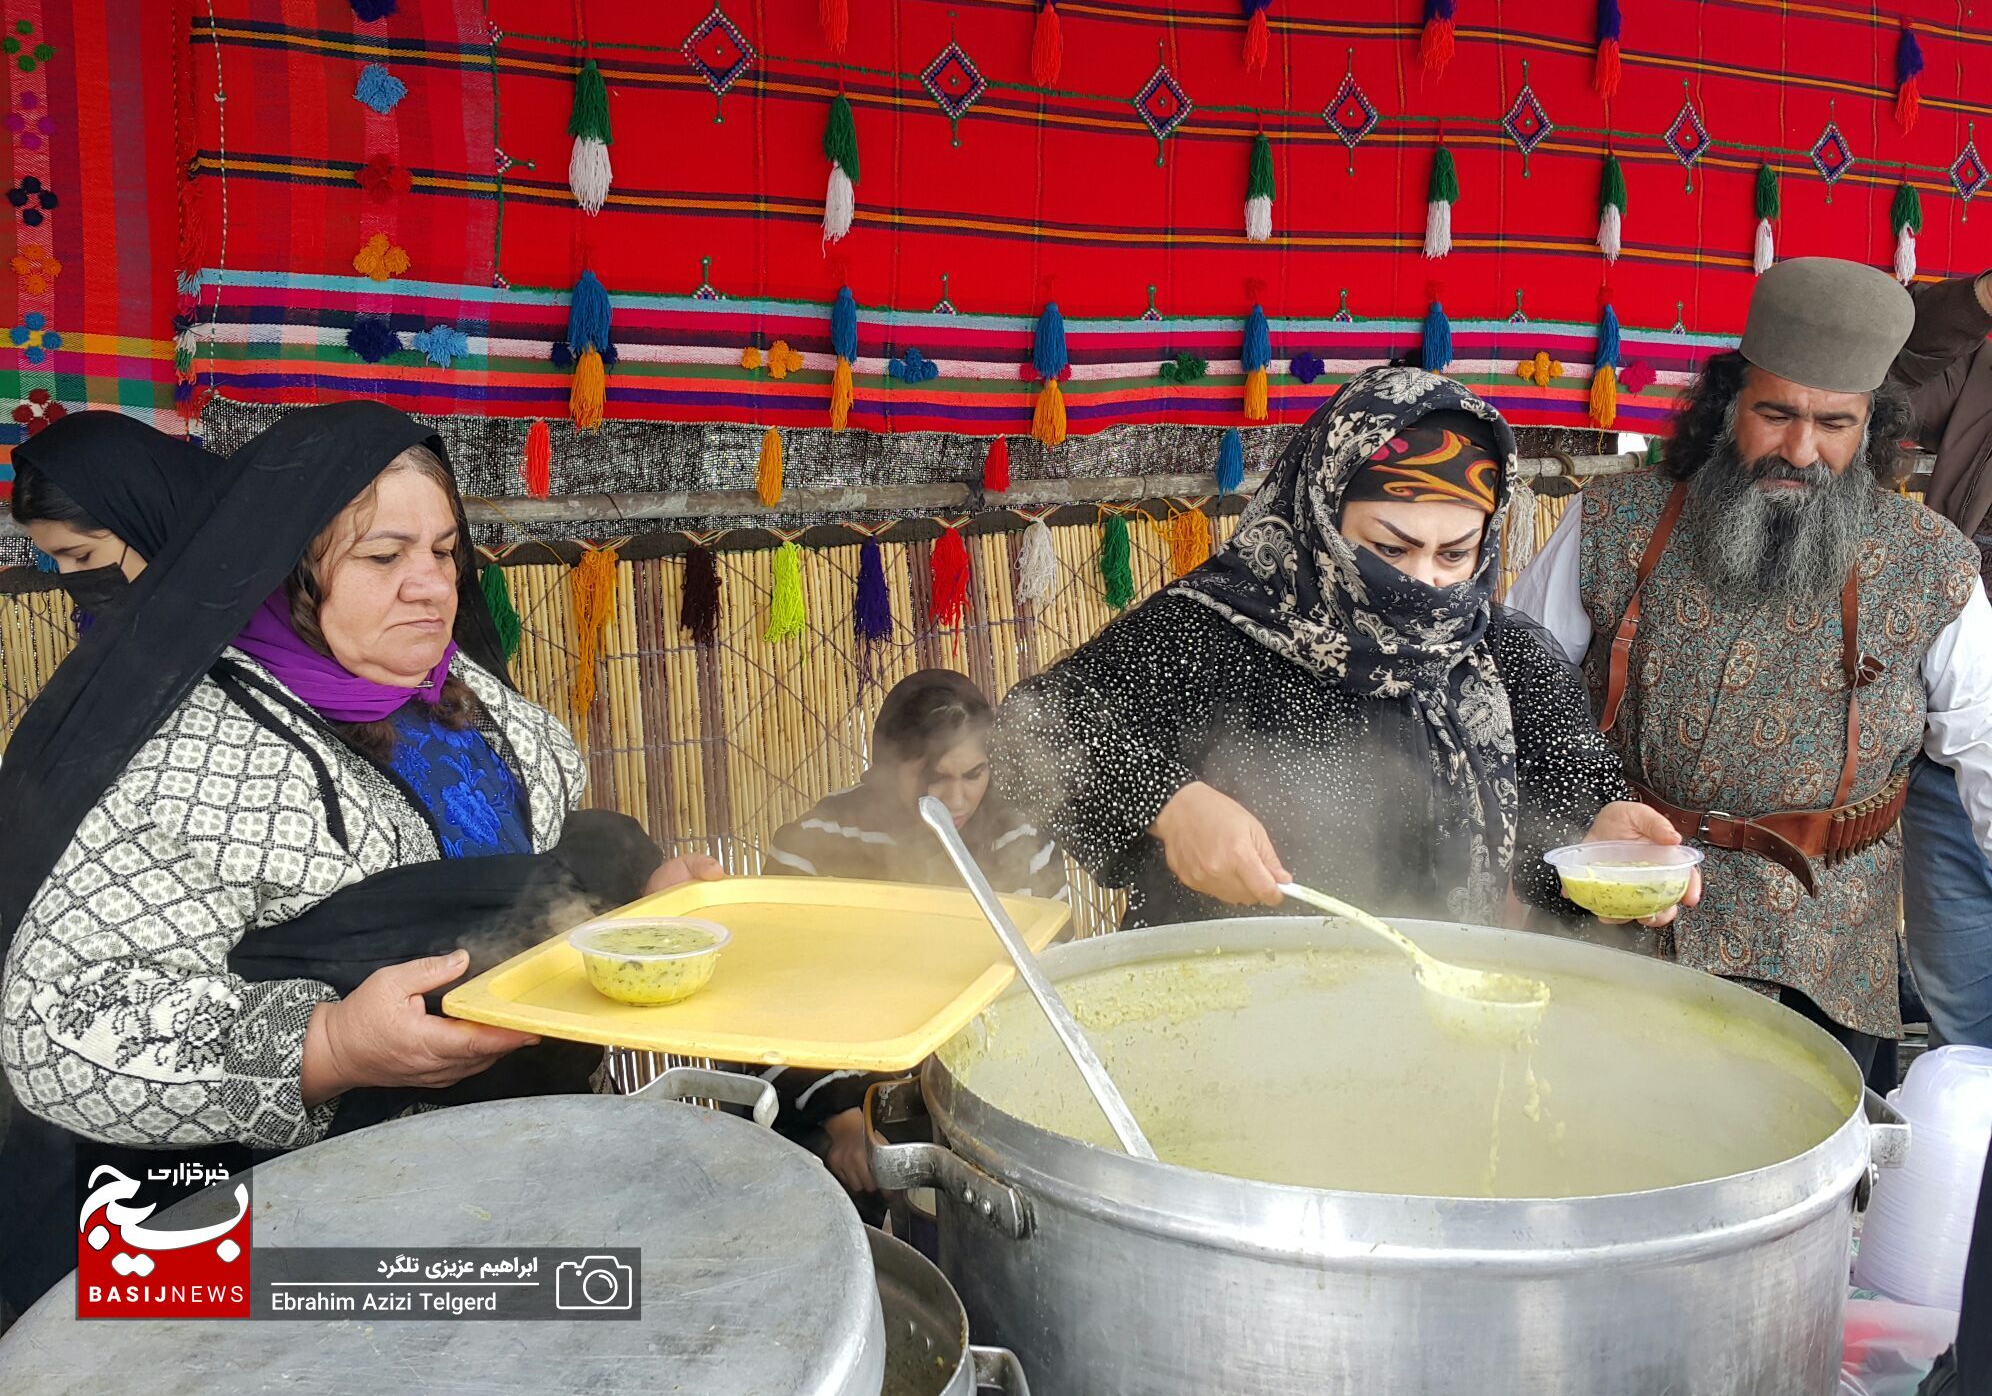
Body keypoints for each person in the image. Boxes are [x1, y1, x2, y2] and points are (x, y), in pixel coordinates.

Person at [0, 401, 710, 1316]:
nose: (430, 585)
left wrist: (637, 888)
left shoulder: (466, 702)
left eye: (444, 550)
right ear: (290, 571)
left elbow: (525, 859)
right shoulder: (197, 752)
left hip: (498, 1182)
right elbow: (59, 1018)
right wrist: (326, 1047)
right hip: (288, 1243)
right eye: (383, 556)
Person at [1506, 257, 1992, 1078]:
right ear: (1729, 402)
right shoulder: (1613, 520)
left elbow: (1985, 751)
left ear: (1871, 425)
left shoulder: (1933, 566)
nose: (1799, 450)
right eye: (1775, 413)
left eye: (1835, 424)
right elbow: (1511, 687)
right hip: (1614, 917)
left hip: (1823, 953)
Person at [991, 366, 1689, 936]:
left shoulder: (1503, 657)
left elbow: (1560, 805)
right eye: (1389, 547)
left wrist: (1601, 845)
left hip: (1431, 1030)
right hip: (1219, 1029)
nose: (1424, 582)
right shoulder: (1217, 629)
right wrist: (1172, 805)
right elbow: (1032, 731)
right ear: (1320, 513)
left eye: (1455, 553)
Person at [762, 668, 1069, 1202]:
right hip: (827, 1099)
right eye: (934, 778)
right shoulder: (813, 846)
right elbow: (769, 996)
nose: (956, 798)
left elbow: (1051, 979)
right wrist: (841, 1120)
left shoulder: (1020, 838)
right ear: (887, 766)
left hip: (985, 1091)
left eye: (974, 774)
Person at [1881, 271, 1992, 1050]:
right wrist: (1980, 300)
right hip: (1956, 755)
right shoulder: (1979, 369)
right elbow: (1880, 379)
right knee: (1968, 1031)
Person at [9, 410, 225, 612]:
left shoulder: (255, 605)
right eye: (55, 561)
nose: (68, 578)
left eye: (82, 555)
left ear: (142, 521)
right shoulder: (119, 621)